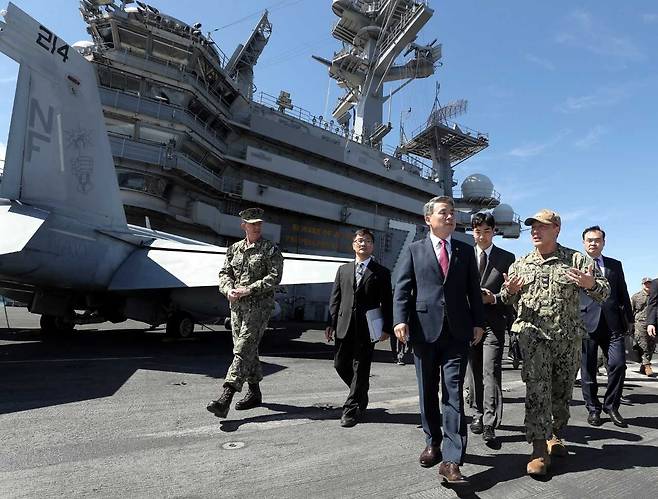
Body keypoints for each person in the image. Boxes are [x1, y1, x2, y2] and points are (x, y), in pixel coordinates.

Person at [500, 209, 609, 476]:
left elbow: (604, 293)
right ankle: (538, 449)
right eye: (533, 227)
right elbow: (505, 299)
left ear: (556, 228)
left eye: (542, 226)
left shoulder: (576, 260)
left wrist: (590, 283)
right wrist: (510, 291)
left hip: (567, 339)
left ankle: (555, 434)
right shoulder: (520, 264)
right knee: (537, 391)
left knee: (561, 393)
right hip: (533, 338)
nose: (535, 231)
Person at [393, 196, 485, 484]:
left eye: (452, 213)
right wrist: (399, 318)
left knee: (454, 393)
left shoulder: (465, 251)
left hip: (457, 331)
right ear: (428, 219)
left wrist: (479, 323)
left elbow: (473, 289)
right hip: (423, 330)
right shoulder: (414, 250)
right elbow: (403, 288)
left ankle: (452, 459)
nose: (449, 217)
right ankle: (433, 441)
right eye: (443, 213)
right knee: (427, 390)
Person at [207, 208, 284, 419]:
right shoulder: (234, 249)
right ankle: (255, 393)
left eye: (259, 223)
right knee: (249, 350)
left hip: (259, 308)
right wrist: (228, 289)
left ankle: (226, 397)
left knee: (242, 349)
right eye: (252, 224)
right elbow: (224, 273)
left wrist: (250, 289)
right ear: (244, 226)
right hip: (237, 308)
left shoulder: (270, 249)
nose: (257, 227)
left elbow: (274, 278)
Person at [325, 228, 392, 427]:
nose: (363, 244)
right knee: (340, 364)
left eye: (368, 241)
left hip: (368, 328)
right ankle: (361, 392)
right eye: (360, 240)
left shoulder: (381, 272)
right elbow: (335, 299)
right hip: (343, 325)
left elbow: (387, 303)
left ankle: (350, 410)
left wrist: (387, 328)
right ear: (354, 244)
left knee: (361, 368)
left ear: (373, 246)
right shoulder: (343, 270)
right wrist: (330, 323)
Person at [467, 212, 515, 446]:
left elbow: (513, 294)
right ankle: (476, 413)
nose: (482, 235)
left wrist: (493, 298)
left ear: (494, 231)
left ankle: (489, 421)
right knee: (473, 371)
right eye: (478, 231)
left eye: (487, 231)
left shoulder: (508, 258)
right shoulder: (463, 256)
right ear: (472, 232)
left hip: (494, 324)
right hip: (467, 323)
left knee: (491, 371)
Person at [579, 226, 633, 428]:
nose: (593, 243)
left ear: (603, 242)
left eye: (597, 240)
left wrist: (630, 318)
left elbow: (623, 292)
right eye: (590, 240)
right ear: (584, 243)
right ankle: (593, 409)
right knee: (588, 371)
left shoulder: (614, 265)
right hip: (586, 324)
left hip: (613, 325)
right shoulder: (575, 264)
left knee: (618, 365)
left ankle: (611, 405)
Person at [633, 277, 655, 376]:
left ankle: (643, 366)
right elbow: (631, 310)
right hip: (640, 324)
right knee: (643, 345)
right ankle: (647, 365)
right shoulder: (636, 297)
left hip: (653, 324)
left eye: (649, 283)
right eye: (646, 283)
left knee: (651, 346)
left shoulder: (655, 295)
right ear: (642, 284)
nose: (648, 285)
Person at [643, 278, 658, 375]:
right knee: (645, 345)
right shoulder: (656, 283)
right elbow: (653, 303)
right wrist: (651, 323)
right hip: (641, 323)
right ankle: (645, 364)